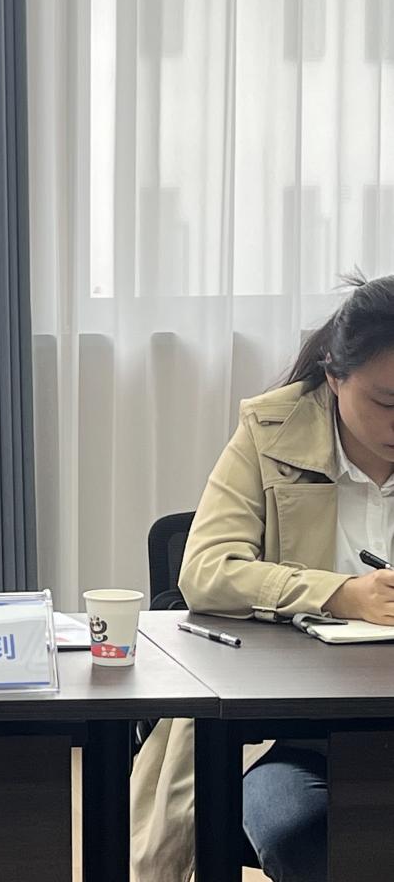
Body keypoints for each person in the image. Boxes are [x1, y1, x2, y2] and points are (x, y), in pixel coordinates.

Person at [132, 273, 394, 881]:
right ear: (335, 378)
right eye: (387, 402)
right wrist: (340, 594)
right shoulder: (270, 430)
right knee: (301, 835)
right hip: (302, 735)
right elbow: (206, 571)